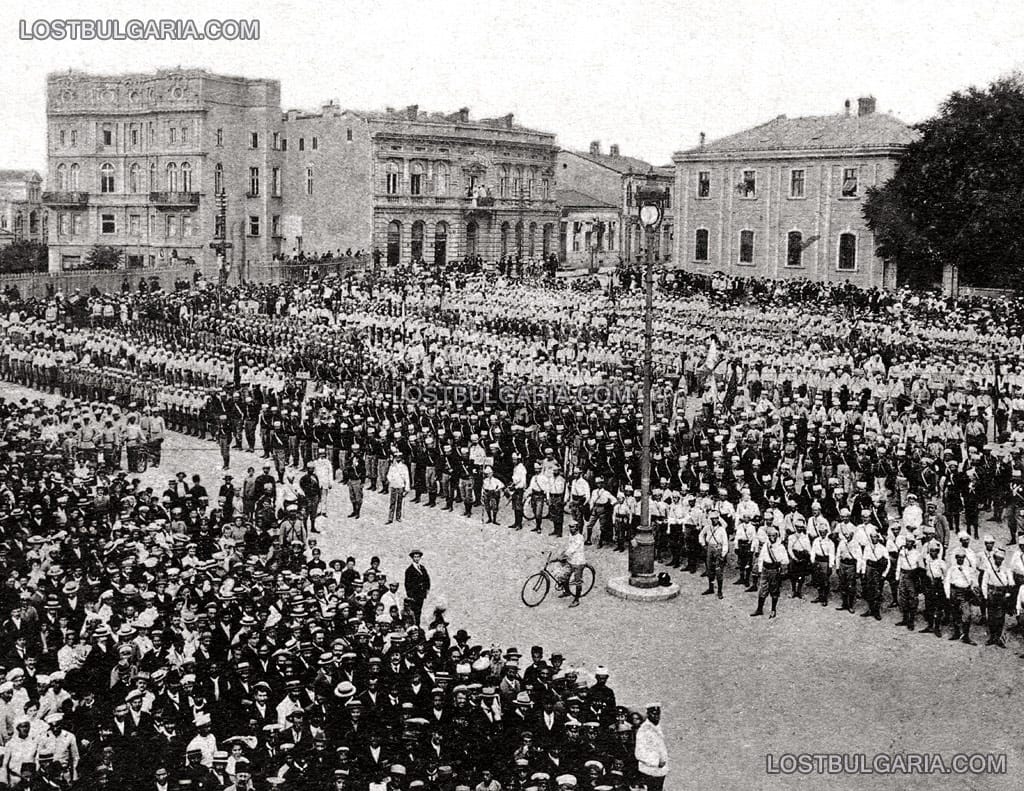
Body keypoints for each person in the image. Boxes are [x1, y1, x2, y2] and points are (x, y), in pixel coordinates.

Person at [633, 704, 668, 791]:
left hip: (659, 772)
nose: (656, 716)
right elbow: (639, 753)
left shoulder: (657, 727)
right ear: (648, 714)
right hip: (648, 771)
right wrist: (656, 762)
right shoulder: (644, 730)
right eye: (653, 714)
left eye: (658, 714)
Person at [558, 523, 586, 608]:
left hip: (578, 561)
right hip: (570, 560)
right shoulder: (571, 535)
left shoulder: (579, 538)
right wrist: (562, 552)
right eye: (570, 527)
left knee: (578, 581)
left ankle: (576, 600)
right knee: (565, 576)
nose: (571, 529)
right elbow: (568, 546)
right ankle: (567, 591)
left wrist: (563, 555)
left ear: (577, 528)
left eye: (573, 527)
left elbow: (573, 549)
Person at [404, 550, 431, 626]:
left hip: (421, 594)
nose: (416, 558)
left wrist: (427, 589)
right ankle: (415, 625)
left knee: (419, 611)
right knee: (415, 611)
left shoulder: (422, 568)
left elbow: (427, 579)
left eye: (418, 557)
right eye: (415, 557)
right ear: (412, 558)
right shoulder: (409, 570)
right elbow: (407, 584)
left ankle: (418, 625)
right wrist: (410, 595)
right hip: (414, 595)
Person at [386, 454, 410, 525]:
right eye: (396, 457)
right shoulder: (392, 466)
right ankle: (390, 518)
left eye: (399, 457)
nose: (398, 459)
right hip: (394, 485)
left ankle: (398, 517)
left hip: (400, 486)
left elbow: (407, 478)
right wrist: (391, 480)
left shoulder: (404, 467)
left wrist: (407, 488)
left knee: (399, 502)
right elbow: (389, 475)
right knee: (392, 502)